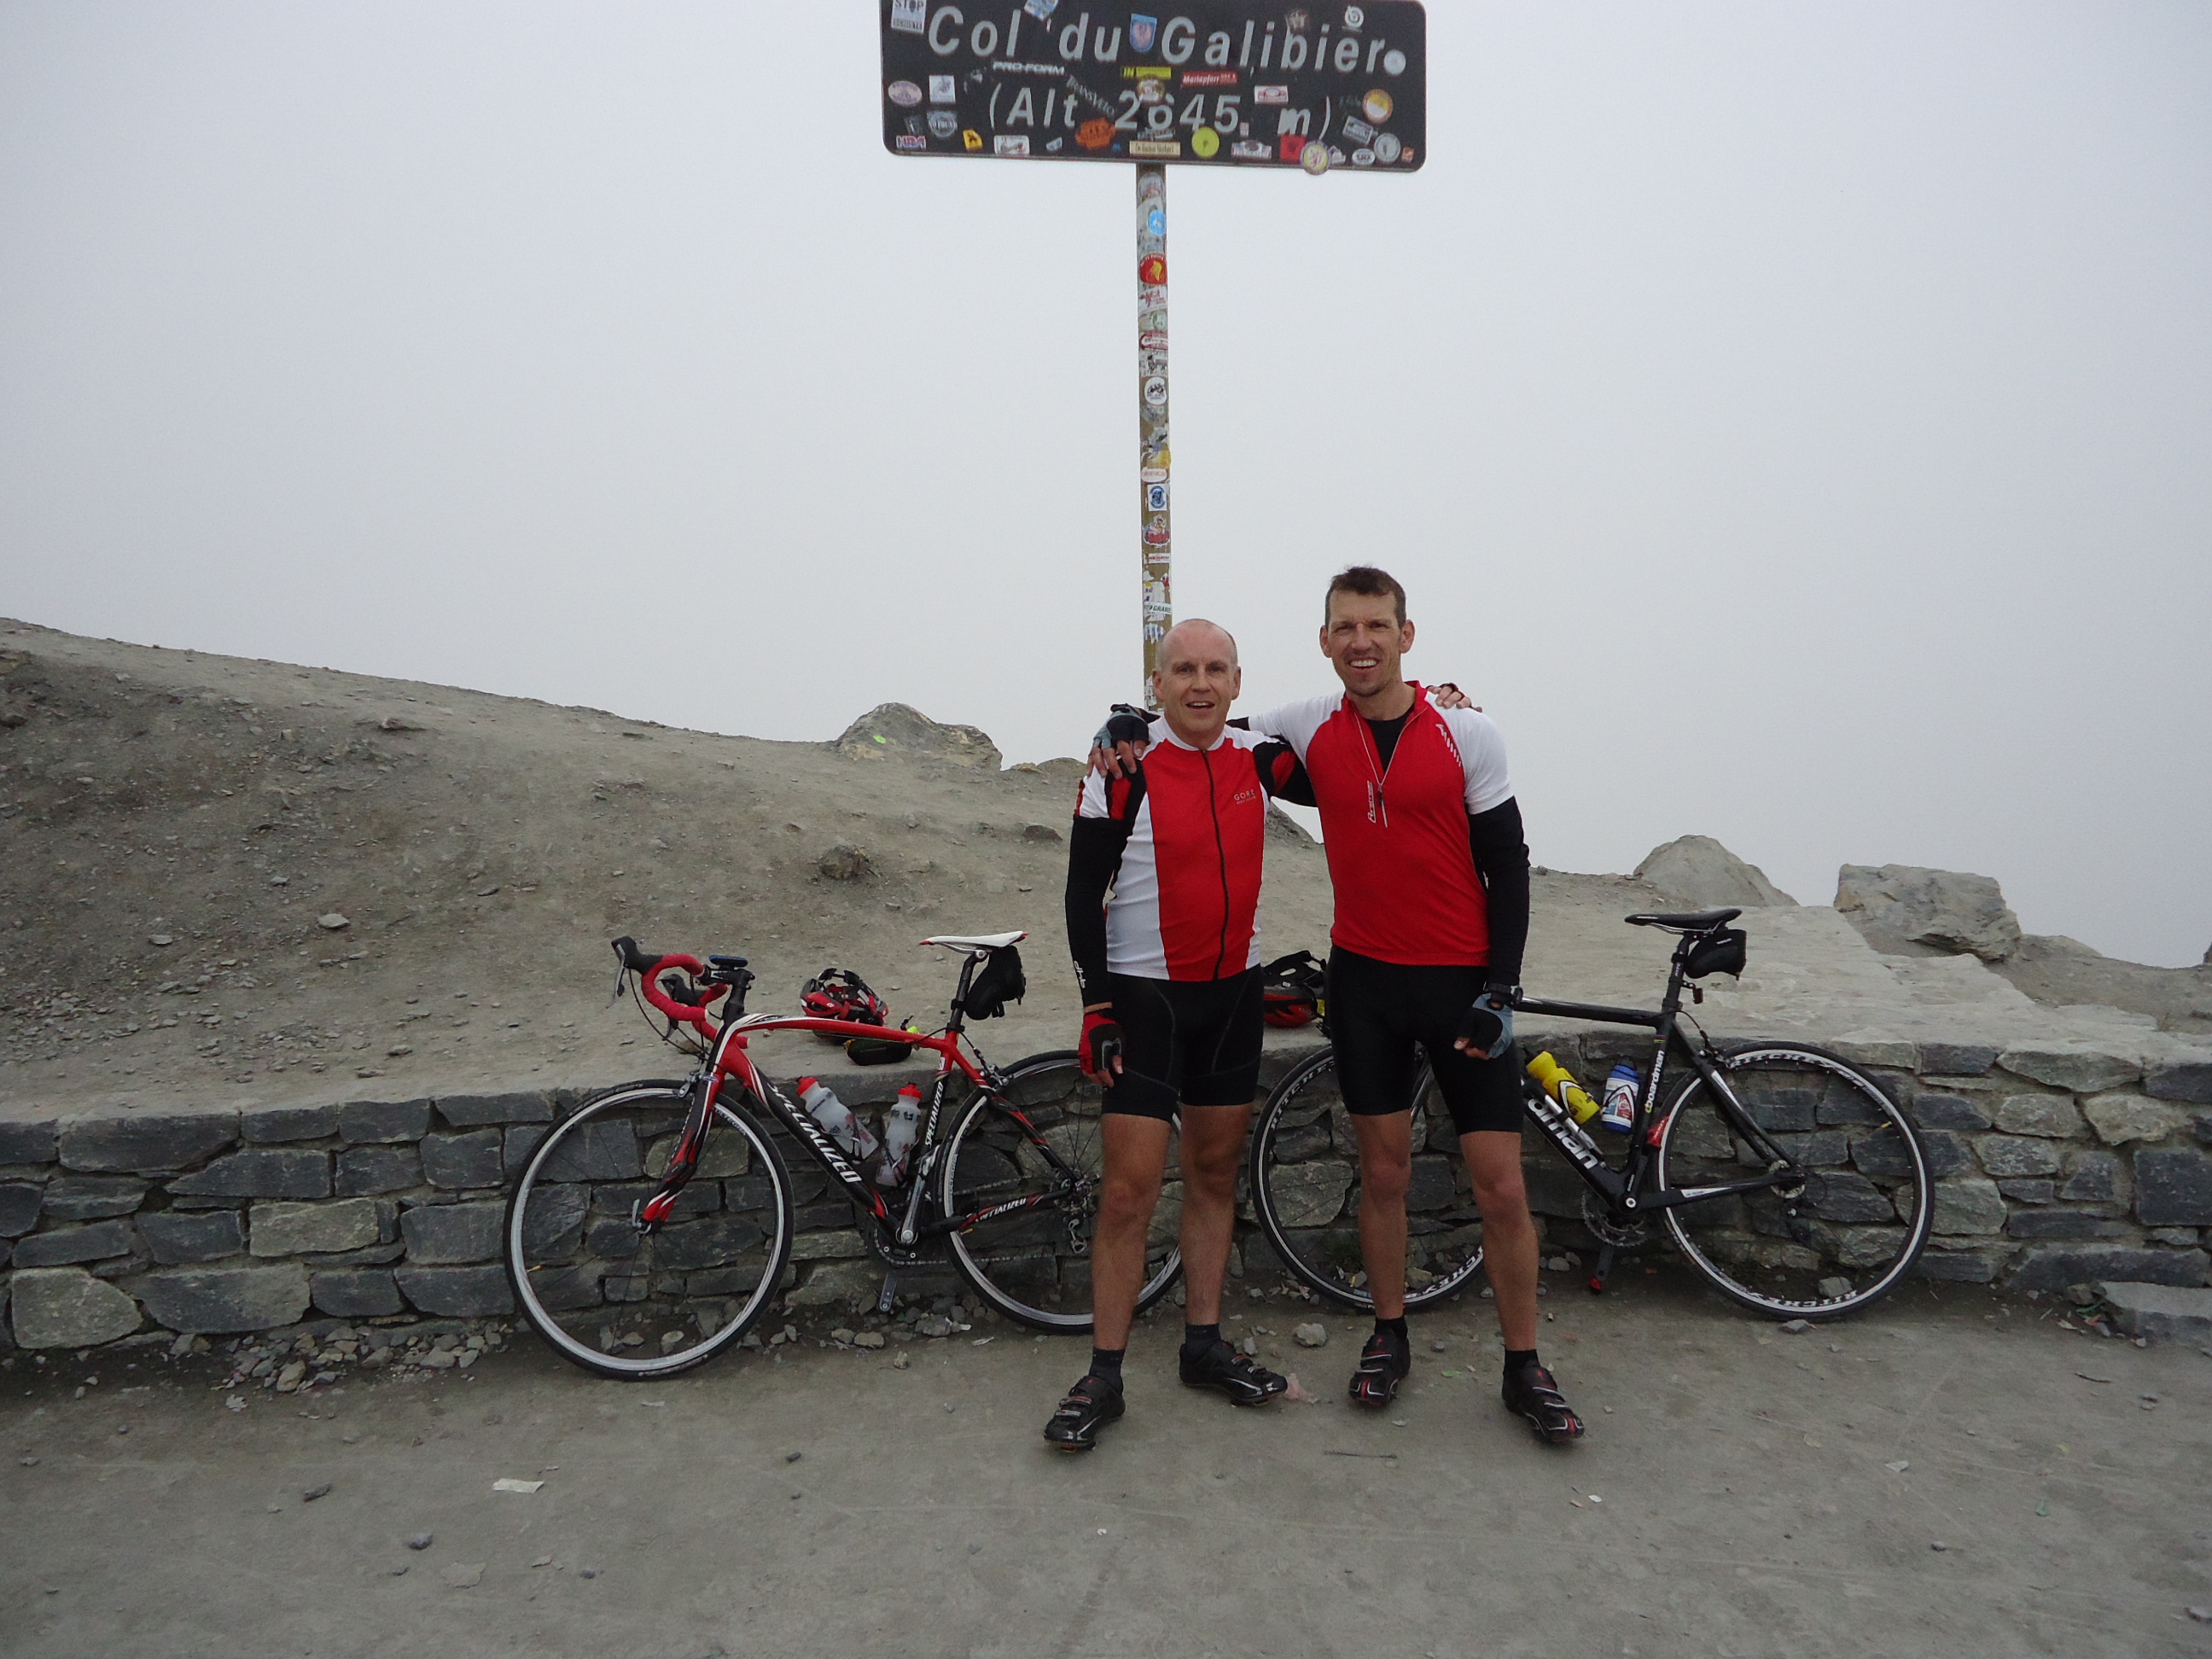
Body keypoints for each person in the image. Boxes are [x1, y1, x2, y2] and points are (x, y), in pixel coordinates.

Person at [1096, 568, 1582, 1445]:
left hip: (1461, 981)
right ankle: (1386, 1335)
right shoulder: (1306, 726)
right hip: (1364, 983)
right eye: (1345, 627)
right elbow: (1202, 719)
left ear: (1406, 633)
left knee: (1503, 1187)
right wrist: (1123, 719)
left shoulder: (1468, 731)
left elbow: (1508, 865)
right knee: (1384, 1173)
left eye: (1377, 625)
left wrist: (1499, 987)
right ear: (1325, 641)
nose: (1362, 641)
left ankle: (1524, 1366)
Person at [1045, 618, 1312, 1452]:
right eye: (1183, 670)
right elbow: (1080, 894)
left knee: (1213, 1174)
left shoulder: (1260, 757)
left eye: (1216, 670)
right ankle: (1104, 1373)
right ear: (1157, 684)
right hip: (1145, 998)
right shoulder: (1121, 769)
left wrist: (1442, 700)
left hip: (1232, 997)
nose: (1200, 683)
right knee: (1128, 1194)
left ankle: (1202, 1345)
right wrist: (1096, 1008)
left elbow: (1360, 730)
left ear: (1238, 683)